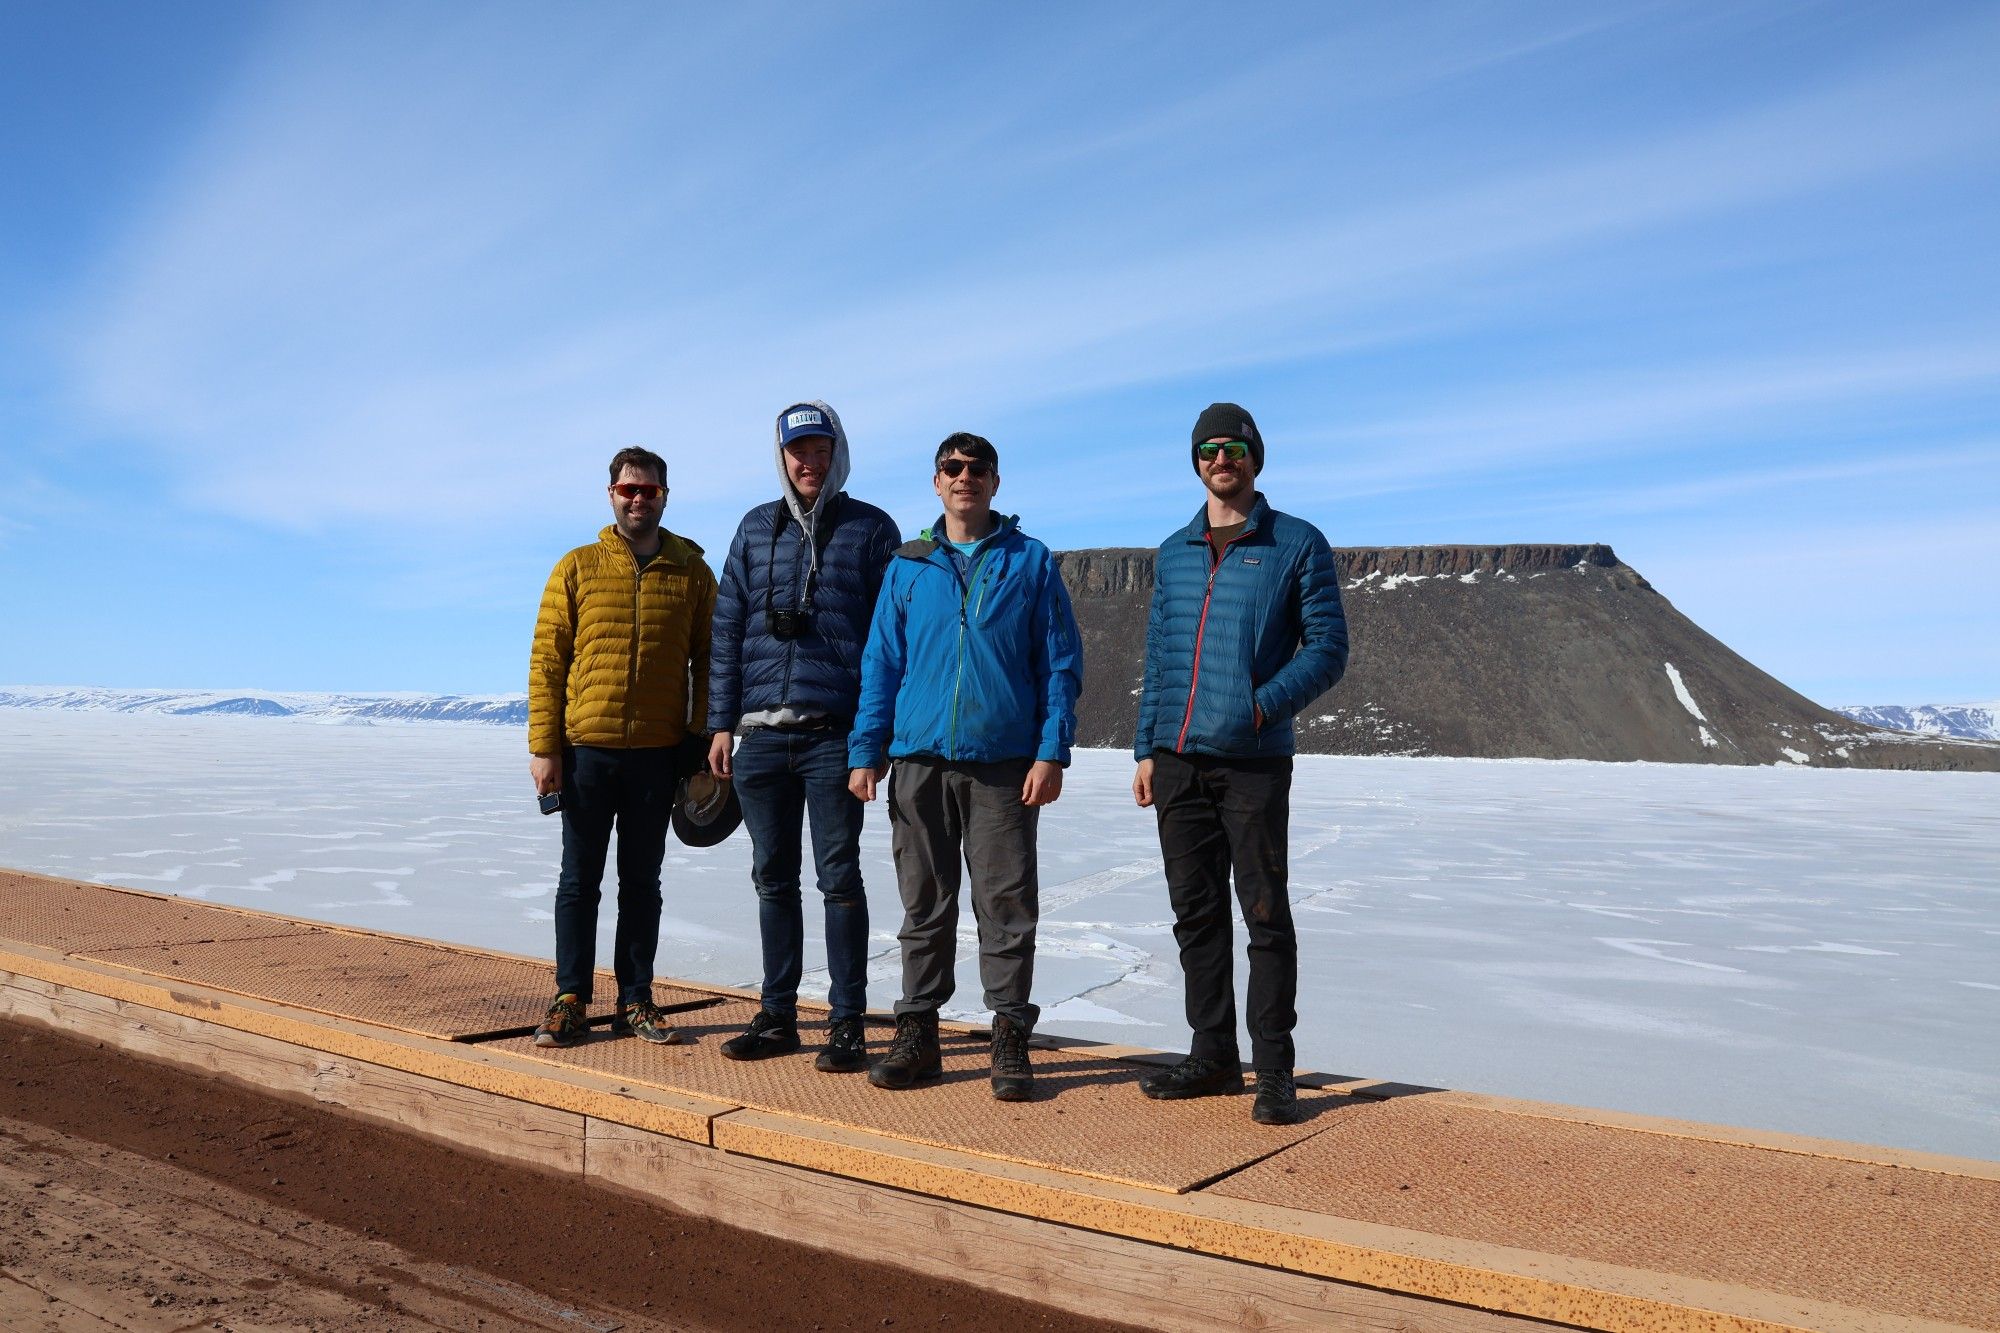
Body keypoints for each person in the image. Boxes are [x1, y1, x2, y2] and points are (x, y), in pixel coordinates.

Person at [1130, 404, 1348, 1124]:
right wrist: (1145, 748)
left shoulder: (1296, 543)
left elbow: (1326, 650)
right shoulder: (1175, 550)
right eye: (1210, 450)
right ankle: (1212, 1053)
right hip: (1178, 760)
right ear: (1197, 462)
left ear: (1256, 458)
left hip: (1253, 761)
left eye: (1236, 448)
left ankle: (1275, 1066)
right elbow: (1160, 657)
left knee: (1263, 913)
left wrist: (1259, 707)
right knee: (1195, 914)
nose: (1223, 460)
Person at [848, 432, 1082, 1101]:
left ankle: (1010, 1034)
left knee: (1005, 904)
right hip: (918, 759)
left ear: (995, 482)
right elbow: (881, 664)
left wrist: (1050, 750)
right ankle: (918, 1031)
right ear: (936, 482)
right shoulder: (909, 565)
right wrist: (867, 750)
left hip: (1003, 763)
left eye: (977, 468)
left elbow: (1059, 665)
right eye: (952, 467)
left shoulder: (1029, 561)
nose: (964, 477)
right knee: (924, 904)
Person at [707, 402, 901, 1071]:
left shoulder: (871, 530)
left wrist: (874, 741)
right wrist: (721, 723)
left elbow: (888, 641)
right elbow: (727, 629)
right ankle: (778, 1015)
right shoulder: (754, 529)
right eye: (799, 451)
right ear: (782, 456)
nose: (809, 461)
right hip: (760, 737)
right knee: (772, 879)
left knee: (839, 877)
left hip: (834, 738)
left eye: (821, 449)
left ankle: (847, 1022)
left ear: (837, 452)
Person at [528, 447, 717, 1047]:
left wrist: (698, 736)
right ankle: (570, 999)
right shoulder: (577, 568)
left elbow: (710, 659)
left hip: (658, 753)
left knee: (642, 882)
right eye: (629, 489)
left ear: (666, 496)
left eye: (650, 491)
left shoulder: (690, 571)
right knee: (579, 881)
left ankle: (636, 999)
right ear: (610, 494)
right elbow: (547, 662)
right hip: (587, 751)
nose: (639, 499)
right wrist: (545, 747)